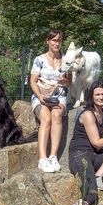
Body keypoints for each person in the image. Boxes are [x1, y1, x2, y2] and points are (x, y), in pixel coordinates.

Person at [29, 29, 71, 173]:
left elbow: (69, 82)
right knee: (46, 119)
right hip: (41, 96)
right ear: (48, 41)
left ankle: (53, 156)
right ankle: (42, 159)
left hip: (59, 96)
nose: (56, 43)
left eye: (59, 40)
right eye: (54, 40)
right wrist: (40, 96)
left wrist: (65, 82)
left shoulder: (66, 60)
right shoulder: (39, 59)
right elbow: (33, 81)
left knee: (56, 115)